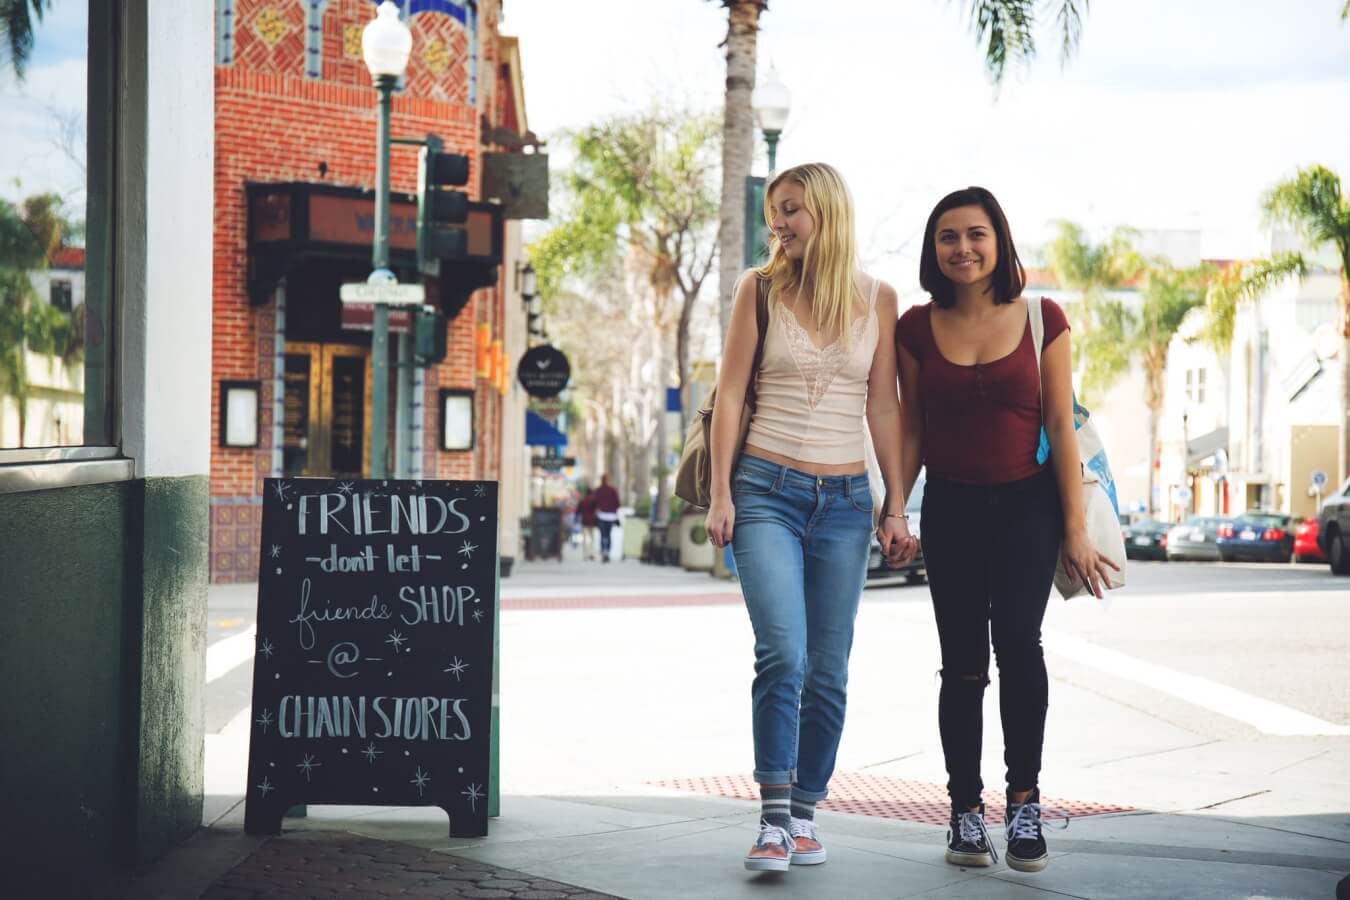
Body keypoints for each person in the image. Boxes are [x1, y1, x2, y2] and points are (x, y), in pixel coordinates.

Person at [894, 186, 1119, 873]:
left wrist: (1075, 531)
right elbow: (910, 428)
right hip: (952, 511)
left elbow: (1059, 426)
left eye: (976, 234)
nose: (962, 248)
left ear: (1000, 242)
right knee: (962, 665)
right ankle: (965, 813)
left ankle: (1025, 805)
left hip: (1028, 507)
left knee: (1020, 646)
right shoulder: (911, 327)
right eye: (948, 237)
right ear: (934, 250)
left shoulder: (1041, 317)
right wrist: (895, 509)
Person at [704, 162, 918, 872]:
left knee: (829, 670)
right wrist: (721, 493)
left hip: (847, 505)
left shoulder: (878, 299)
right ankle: (770, 817)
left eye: (791, 210)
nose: (780, 225)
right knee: (784, 653)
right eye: (774, 214)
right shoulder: (758, 291)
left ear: (826, 211)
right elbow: (731, 394)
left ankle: (804, 812)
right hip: (765, 491)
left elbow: (882, 405)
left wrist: (895, 501)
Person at [591, 475, 621, 563]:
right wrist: (614, 510)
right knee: (608, 534)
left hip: (602, 515)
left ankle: (604, 551)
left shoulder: (598, 490)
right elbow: (617, 503)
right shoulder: (613, 490)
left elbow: (593, 502)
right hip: (611, 516)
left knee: (603, 535)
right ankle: (607, 552)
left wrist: (598, 508)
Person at [576, 487, 599, 561]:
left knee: (585, 539)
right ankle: (591, 553)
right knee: (591, 538)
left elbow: (578, 511)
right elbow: (597, 510)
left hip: (584, 521)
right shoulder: (593, 501)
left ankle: (585, 554)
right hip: (591, 522)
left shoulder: (582, 501)